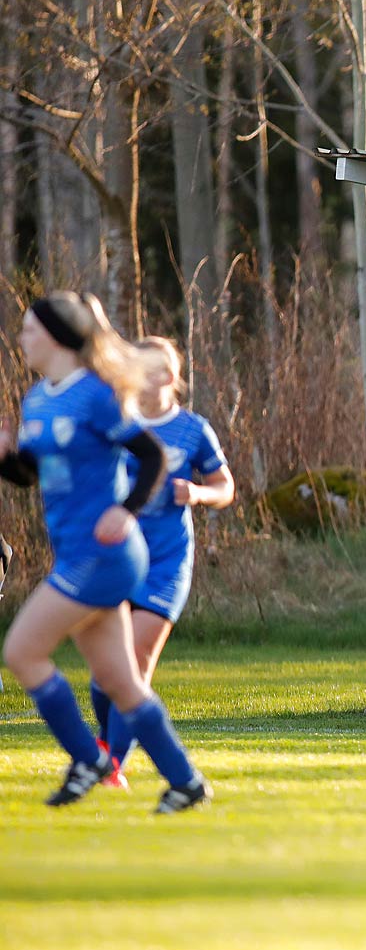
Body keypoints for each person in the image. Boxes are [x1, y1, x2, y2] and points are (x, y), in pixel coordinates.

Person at [0, 292, 210, 812]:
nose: (21, 338)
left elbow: (152, 455)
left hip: (104, 555)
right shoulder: (38, 399)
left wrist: (128, 510)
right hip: (76, 551)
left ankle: (86, 758)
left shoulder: (96, 395)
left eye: (29, 329)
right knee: (121, 681)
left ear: (56, 335)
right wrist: (6, 458)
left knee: (21, 652)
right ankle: (185, 782)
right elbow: (31, 475)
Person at [88, 338, 236, 789]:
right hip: (118, 558)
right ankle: (106, 745)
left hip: (167, 562)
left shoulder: (193, 430)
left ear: (170, 378)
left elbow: (225, 487)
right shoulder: (118, 424)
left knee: (136, 661)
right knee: (104, 672)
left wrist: (197, 493)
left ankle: (113, 764)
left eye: (153, 370)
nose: (141, 377)